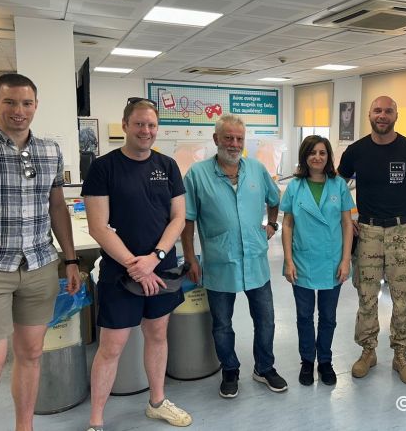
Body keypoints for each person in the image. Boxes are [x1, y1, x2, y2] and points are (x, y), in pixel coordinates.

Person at [0, 73, 81, 431]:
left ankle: (25, 427)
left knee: (32, 354)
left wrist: (70, 259)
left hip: (39, 265)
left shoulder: (49, 151)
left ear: (36, 105)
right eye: (9, 102)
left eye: (26, 103)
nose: (18, 111)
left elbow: (57, 207)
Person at [82, 98, 192, 430]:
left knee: (157, 333)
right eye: (139, 124)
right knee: (111, 346)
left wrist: (154, 258)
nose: (146, 130)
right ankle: (96, 421)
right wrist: (136, 266)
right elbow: (98, 226)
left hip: (162, 267)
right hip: (120, 271)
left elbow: (178, 218)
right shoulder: (103, 167)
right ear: (126, 126)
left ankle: (157, 402)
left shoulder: (167, 166)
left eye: (152, 125)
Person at [181, 114, 287, 398]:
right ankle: (229, 370)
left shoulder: (257, 170)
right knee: (222, 324)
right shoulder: (197, 175)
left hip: (255, 260)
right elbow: (187, 219)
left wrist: (272, 224)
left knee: (266, 320)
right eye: (228, 138)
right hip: (219, 262)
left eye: (239, 138)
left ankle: (264, 367)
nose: (234, 144)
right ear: (216, 139)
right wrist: (191, 257)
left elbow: (274, 199)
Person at [338, 95, 406, 385]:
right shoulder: (355, 151)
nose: (382, 115)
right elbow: (336, 189)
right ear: (369, 114)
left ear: (396, 115)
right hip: (367, 231)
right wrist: (348, 220)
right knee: (367, 296)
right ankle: (368, 351)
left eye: (388, 111)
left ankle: (401, 355)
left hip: (402, 231)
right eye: (377, 110)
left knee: (403, 297)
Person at [280, 135, 354, 386]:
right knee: (304, 316)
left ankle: (324, 361)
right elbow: (287, 224)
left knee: (328, 316)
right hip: (302, 259)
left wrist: (346, 260)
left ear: (328, 157)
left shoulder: (338, 185)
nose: (317, 157)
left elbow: (347, 224)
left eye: (322, 153)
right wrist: (288, 261)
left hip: (332, 260)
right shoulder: (295, 187)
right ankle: (307, 361)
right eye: (312, 152)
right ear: (305, 156)